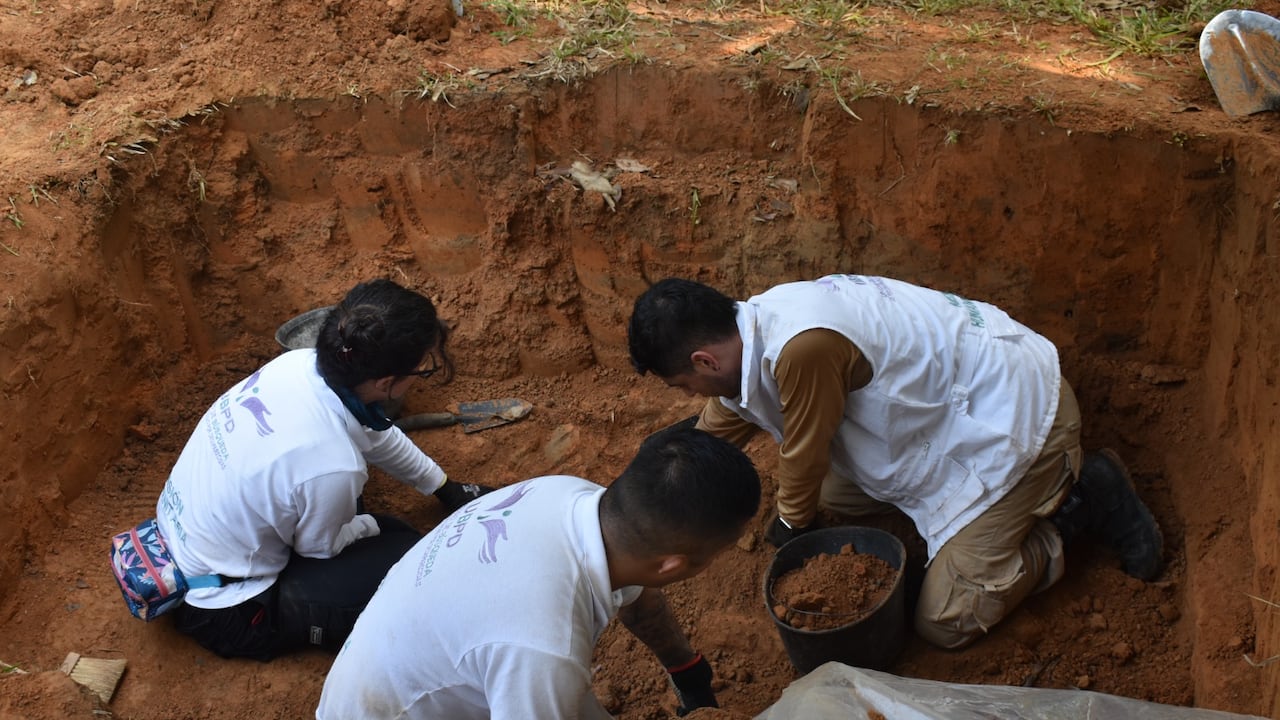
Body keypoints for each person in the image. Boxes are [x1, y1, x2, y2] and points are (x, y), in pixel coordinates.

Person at [627, 274, 1163, 650]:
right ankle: (958, 532)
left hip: (1013, 423)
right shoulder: (753, 326)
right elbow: (722, 421)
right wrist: (653, 486)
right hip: (945, 412)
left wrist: (791, 525)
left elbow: (804, 454)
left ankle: (1086, 502)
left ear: (704, 360)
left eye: (684, 384)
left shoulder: (802, 347)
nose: (692, 393)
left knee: (943, 621)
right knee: (841, 495)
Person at [315, 426, 762, 719]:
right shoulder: (546, 647)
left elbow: (640, 598)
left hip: (412, 663)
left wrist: (686, 670)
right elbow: (540, 657)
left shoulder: (574, 497)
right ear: (672, 565)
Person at [155, 278, 494, 660]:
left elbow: (376, 433)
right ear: (386, 382)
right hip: (226, 607)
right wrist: (372, 525)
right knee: (414, 564)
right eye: (419, 370)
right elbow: (318, 548)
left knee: (377, 525)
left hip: (183, 541)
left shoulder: (298, 365)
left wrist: (445, 486)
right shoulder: (333, 465)